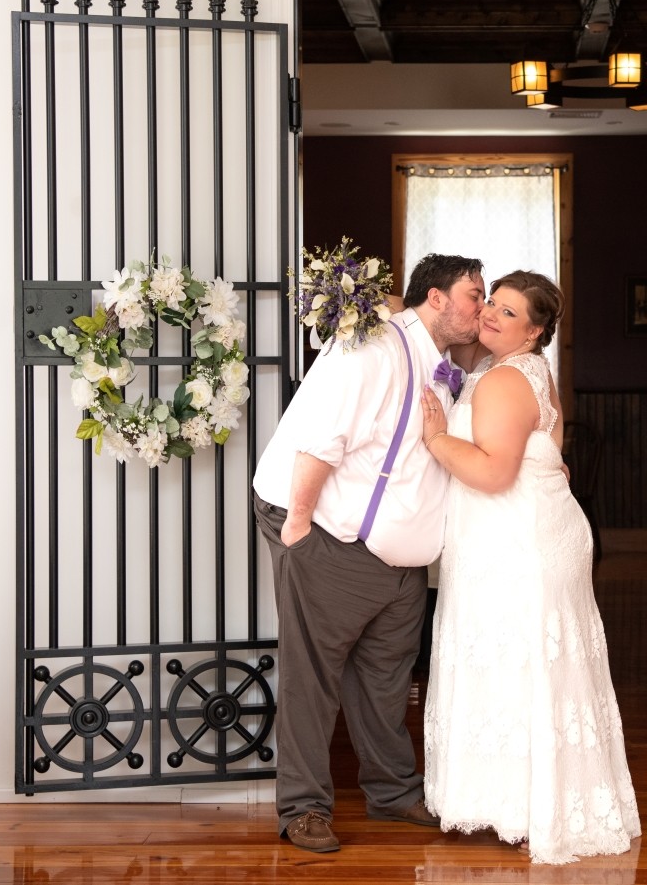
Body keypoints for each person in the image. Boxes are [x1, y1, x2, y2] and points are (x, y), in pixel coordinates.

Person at [251, 253, 486, 853]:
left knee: (386, 680)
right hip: (330, 536)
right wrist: (299, 530)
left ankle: (392, 793)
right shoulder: (373, 346)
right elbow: (321, 436)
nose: (480, 308)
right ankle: (303, 807)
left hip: (399, 562)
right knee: (313, 678)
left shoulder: (440, 364)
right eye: (474, 295)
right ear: (436, 298)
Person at [417, 270, 641, 864]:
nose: (490, 314)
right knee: (533, 666)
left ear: (535, 330)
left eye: (509, 312)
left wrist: (437, 439)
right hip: (529, 537)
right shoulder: (518, 369)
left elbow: (494, 472)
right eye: (490, 302)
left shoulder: (505, 379)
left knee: (515, 666)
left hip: (516, 549)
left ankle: (523, 807)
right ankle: (527, 800)